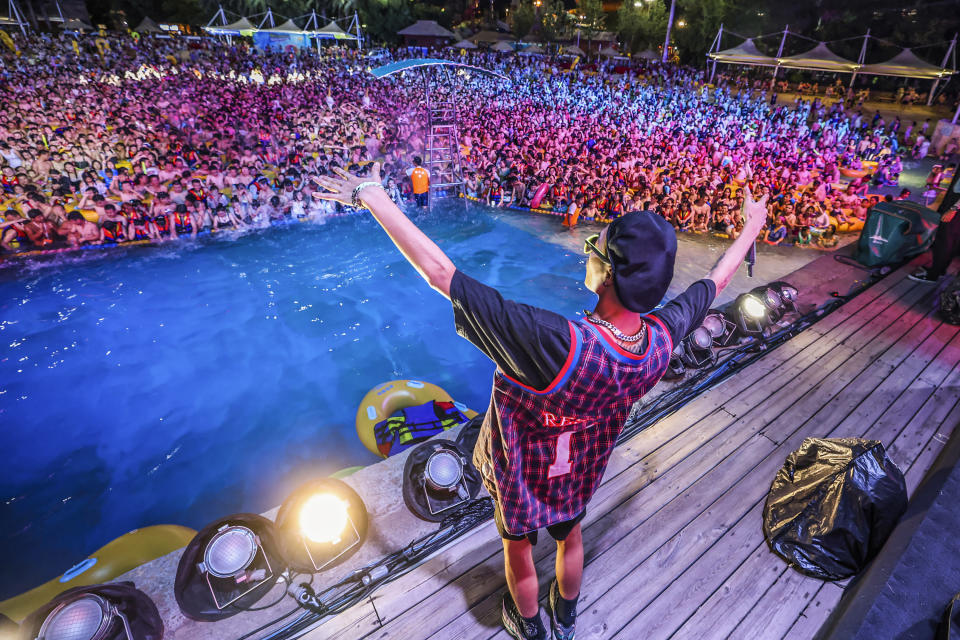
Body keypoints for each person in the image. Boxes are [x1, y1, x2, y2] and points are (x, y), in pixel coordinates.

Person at [312, 163, 770, 640]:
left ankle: (528, 625)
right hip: (581, 473)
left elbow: (440, 274)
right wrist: (751, 227)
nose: (589, 252)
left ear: (608, 273)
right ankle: (566, 617)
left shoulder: (551, 341)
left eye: (596, 248)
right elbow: (714, 284)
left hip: (523, 476)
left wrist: (371, 193)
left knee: (518, 551)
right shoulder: (659, 339)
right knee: (570, 539)